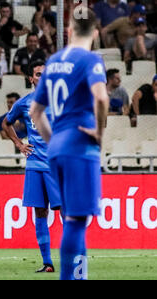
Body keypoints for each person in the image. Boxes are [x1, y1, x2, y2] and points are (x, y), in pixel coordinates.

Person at [30, 7, 110, 280]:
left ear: (69, 30)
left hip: (57, 149)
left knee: (74, 219)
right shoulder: (90, 60)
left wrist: (54, 142)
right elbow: (101, 97)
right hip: (80, 147)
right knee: (76, 221)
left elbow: (35, 112)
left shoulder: (52, 62)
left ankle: (78, 276)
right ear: (96, 33)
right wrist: (99, 133)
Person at [2, 60, 61, 273]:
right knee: (40, 212)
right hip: (35, 165)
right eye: (38, 75)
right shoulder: (24, 103)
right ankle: (47, 263)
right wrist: (19, 144)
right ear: (31, 79)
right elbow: (6, 123)